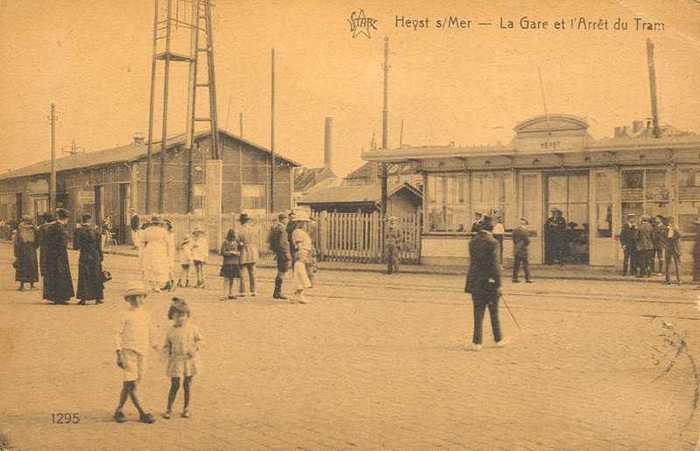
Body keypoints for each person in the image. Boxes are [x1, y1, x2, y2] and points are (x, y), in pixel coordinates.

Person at [113, 280, 157, 424]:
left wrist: (157, 346)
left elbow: (152, 332)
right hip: (128, 352)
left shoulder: (146, 315)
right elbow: (116, 334)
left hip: (142, 353)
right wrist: (118, 353)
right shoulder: (124, 314)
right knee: (131, 383)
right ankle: (143, 412)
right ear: (128, 299)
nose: (137, 300)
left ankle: (119, 409)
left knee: (131, 384)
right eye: (133, 297)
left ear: (144, 298)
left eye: (140, 296)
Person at [464, 228, 508, 351]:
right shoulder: (493, 242)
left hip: (476, 281)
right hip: (489, 282)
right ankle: (498, 339)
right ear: (491, 229)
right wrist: (498, 284)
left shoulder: (472, 242)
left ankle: (476, 342)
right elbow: (494, 265)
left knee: (478, 312)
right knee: (494, 312)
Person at [162, 298, 203, 419]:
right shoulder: (170, 331)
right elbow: (166, 345)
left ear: (187, 315)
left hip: (189, 360)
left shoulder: (192, 328)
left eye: (183, 315)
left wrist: (195, 348)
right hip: (176, 360)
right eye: (177, 315)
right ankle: (169, 408)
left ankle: (186, 408)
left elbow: (200, 340)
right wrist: (167, 355)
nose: (181, 318)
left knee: (187, 384)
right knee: (174, 384)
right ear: (172, 316)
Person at [43, 209, 75, 304]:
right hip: (59, 255)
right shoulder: (60, 228)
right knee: (60, 275)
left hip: (51, 255)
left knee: (54, 274)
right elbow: (62, 242)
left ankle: (54, 297)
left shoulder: (52, 227)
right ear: (65, 218)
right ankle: (60, 297)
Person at [74, 213, 105, 305]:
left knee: (84, 276)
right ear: (90, 220)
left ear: (82, 220)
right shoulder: (96, 230)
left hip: (85, 255)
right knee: (96, 275)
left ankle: (83, 298)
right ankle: (98, 298)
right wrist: (101, 256)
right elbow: (99, 246)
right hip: (95, 255)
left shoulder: (79, 231)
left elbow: (76, 247)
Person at [140, 217, 171, 292]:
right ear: (159, 223)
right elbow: (168, 242)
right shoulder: (163, 231)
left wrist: (143, 251)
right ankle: (156, 286)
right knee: (158, 267)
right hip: (159, 249)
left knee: (149, 266)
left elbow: (143, 241)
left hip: (149, 248)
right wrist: (168, 252)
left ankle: (151, 285)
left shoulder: (147, 231)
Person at [291, 210, 314, 304]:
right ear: (299, 222)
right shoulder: (298, 232)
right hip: (302, 254)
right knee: (301, 275)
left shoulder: (301, 231)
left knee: (300, 276)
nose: (305, 224)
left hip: (305, 253)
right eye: (304, 222)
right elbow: (299, 244)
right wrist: (302, 255)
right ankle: (299, 295)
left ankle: (297, 296)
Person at [13, 215, 39, 291]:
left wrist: (16, 252)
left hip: (23, 250)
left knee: (22, 267)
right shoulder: (33, 228)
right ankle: (31, 285)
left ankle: (22, 285)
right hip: (30, 249)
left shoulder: (20, 228)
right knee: (32, 266)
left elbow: (16, 242)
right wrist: (35, 246)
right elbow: (37, 238)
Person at [269, 213, 291, 300]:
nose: (287, 220)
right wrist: (287, 253)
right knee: (282, 272)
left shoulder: (275, 228)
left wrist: (276, 251)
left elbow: (272, 241)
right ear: (284, 219)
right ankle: (278, 292)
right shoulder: (282, 229)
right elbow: (283, 243)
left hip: (279, 253)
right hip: (283, 253)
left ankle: (276, 291)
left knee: (280, 272)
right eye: (286, 219)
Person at [237, 213, 259, 297]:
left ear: (241, 221)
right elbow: (256, 239)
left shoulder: (239, 230)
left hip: (243, 251)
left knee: (242, 272)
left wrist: (240, 244)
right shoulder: (253, 229)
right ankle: (253, 290)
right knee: (252, 272)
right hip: (253, 251)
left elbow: (237, 242)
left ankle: (242, 291)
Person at [219, 229, 241, 301]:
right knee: (226, 279)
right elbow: (222, 252)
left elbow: (239, 251)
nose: (233, 238)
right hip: (227, 263)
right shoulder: (225, 242)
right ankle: (224, 294)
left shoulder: (236, 242)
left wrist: (237, 253)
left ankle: (230, 293)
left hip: (234, 263)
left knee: (232, 279)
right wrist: (230, 252)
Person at [511, 217, 532, 283]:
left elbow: (513, 239)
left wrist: (516, 245)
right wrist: (526, 244)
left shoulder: (515, 230)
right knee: (525, 264)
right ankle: (528, 278)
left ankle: (514, 278)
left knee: (516, 264)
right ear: (525, 224)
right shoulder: (525, 231)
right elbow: (527, 240)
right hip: (523, 249)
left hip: (516, 248)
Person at [662, 216, 682, 285]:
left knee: (677, 264)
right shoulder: (666, 229)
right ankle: (668, 280)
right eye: (668, 222)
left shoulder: (676, 228)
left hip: (675, 249)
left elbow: (679, 235)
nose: (669, 223)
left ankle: (679, 280)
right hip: (668, 248)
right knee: (668, 264)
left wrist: (673, 230)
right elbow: (663, 237)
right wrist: (665, 244)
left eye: (670, 222)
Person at [163, 219, 176, 291]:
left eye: (165, 225)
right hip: (165, 252)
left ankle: (173, 283)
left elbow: (169, 245)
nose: (164, 226)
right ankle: (167, 283)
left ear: (168, 226)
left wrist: (168, 254)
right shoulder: (165, 233)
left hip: (169, 253)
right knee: (165, 269)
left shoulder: (170, 234)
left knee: (169, 269)